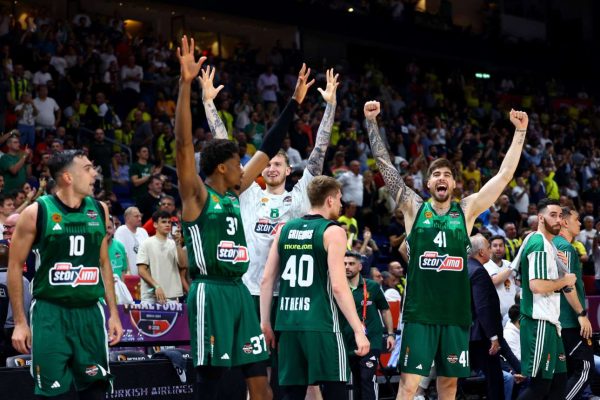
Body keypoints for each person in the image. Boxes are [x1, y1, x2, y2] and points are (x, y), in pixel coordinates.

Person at [175, 36, 315, 399]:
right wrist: (186, 85)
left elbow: (268, 147)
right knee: (214, 384)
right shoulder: (197, 195)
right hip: (210, 291)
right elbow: (184, 146)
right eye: (239, 163)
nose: (247, 167)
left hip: (239, 292)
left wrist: (293, 103)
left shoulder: (234, 192)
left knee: (260, 385)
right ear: (222, 167)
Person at [364, 100, 529, 399]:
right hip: (419, 314)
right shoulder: (414, 207)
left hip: (455, 315)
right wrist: (372, 123)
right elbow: (386, 169)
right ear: (428, 182)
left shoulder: (466, 211)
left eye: (447, 175)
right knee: (408, 385)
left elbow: (503, 176)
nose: (442, 178)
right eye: (436, 174)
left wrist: (520, 132)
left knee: (449, 385)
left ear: (454, 184)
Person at [7, 150, 123, 398]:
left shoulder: (99, 209)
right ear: (68, 177)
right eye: (88, 169)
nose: (95, 174)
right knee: (52, 392)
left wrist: (113, 314)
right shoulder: (36, 212)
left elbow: (104, 263)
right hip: (50, 313)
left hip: (90, 313)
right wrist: (20, 322)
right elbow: (14, 266)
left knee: (96, 389)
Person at [260, 176, 370, 399]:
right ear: (330, 200)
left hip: (287, 325)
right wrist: (359, 330)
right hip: (322, 324)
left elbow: (267, 280)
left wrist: (265, 323)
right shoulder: (333, 231)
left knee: (291, 395)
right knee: (336, 391)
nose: (341, 204)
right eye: (339, 198)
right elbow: (338, 286)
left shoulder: (284, 229)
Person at [512, 199, 575, 400]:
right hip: (538, 322)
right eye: (553, 215)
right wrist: (565, 280)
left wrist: (561, 271)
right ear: (540, 218)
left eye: (560, 216)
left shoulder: (548, 245)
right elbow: (537, 286)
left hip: (551, 323)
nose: (558, 220)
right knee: (540, 385)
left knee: (559, 383)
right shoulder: (539, 243)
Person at [554, 206, 593, 400]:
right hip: (569, 320)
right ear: (565, 222)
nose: (580, 223)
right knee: (584, 368)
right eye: (577, 219)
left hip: (558, 319)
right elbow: (567, 285)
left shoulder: (554, 244)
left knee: (565, 373)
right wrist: (581, 314)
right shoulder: (565, 247)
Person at [344, 250, 394, 400]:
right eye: (344, 264)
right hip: (347, 342)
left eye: (351, 264)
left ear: (360, 266)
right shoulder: (337, 288)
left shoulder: (372, 286)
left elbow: (385, 310)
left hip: (371, 341)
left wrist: (390, 334)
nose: (347, 267)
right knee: (356, 382)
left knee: (367, 378)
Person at [468, 234, 505, 400]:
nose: (491, 250)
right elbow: (482, 307)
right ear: (482, 252)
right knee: (494, 380)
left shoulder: (465, 267)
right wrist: (493, 336)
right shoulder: (478, 271)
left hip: (467, 333)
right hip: (481, 336)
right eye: (489, 247)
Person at [137, 210, 188, 304]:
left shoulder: (173, 244)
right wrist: (156, 286)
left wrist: (178, 243)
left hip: (171, 297)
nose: (167, 225)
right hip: (151, 297)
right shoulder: (146, 243)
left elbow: (183, 264)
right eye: (164, 222)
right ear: (155, 224)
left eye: (169, 222)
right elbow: (141, 270)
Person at [484, 235, 518, 322]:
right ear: (489, 249)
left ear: (504, 248)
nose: (498, 248)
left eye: (501, 245)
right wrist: (512, 266)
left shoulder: (508, 264)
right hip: (496, 315)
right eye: (495, 246)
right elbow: (495, 280)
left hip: (512, 314)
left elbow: (515, 284)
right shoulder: (486, 265)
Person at [114, 207, 148, 275]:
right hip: (129, 275)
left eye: (140, 216)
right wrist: (128, 273)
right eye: (136, 216)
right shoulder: (121, 231)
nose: (140, 219)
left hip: (144, 274)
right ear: (127, 218)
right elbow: (123, 254)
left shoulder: (143, 231)